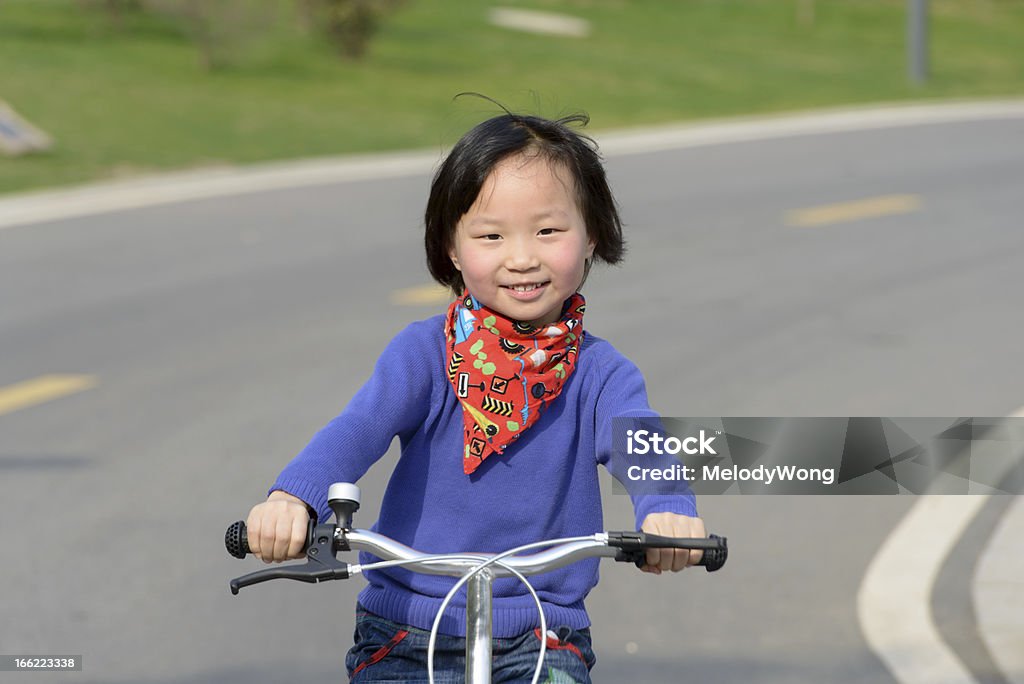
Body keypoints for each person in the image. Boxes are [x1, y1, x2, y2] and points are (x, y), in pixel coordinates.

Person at [246, 106, 706, 683]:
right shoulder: (423, 354)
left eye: (548, 230)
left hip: (542, 631)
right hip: (406, 629)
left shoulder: (601, 373)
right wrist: (294, 497)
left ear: (592, 236)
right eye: (491, 235)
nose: (521, 257)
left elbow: (640, 442)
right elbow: (357, 428)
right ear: (452, 250)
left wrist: (666, 507)